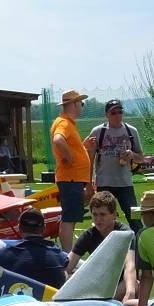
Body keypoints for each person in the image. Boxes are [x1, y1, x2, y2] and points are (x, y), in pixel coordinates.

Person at [65, 191, 138, 301]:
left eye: (102, 214)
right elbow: (68, 266)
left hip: (121, 283)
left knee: (133, 284)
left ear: (113, 214)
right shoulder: (88, 235)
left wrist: (130, 292)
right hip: (97, 284)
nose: (98, 219)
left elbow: (130, 266)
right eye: (95, 214)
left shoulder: (125, 234)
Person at [87, 99, 144, 231]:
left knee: (134, 218)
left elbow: (141, 157)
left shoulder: (131, 131)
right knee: (103, 220)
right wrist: (88, 184)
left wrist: (132, 155)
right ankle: (105, 248)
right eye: (113, 113)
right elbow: (89, 159)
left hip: (125, 183)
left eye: (120, 112)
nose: (117, 115)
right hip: (104, 182)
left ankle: (140, 248)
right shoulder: (98, 131)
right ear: (107, 115)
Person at [0, 207, 67, 288]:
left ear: (19, 229)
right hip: (50, 302)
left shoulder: (10, 252)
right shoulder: (57, 252)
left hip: (20, 301)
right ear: (43, 229)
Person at [51, 89, 91, 252]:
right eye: (81, 103)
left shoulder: (66, 123)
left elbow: (65, 142)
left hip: (72, 178)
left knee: (71, 217)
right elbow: (58, 140)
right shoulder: (64, 123)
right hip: (70, 178)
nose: (82, 106)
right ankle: (67, 255)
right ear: (74, 104)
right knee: (69, 218)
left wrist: (82, 147)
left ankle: (67, 254)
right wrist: (68, 158)